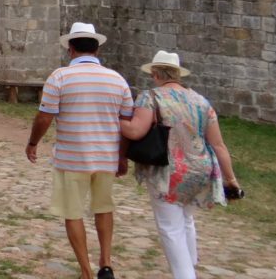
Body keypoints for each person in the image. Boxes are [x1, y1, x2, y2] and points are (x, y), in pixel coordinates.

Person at [25, 21, 134, 279]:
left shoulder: (60, 77)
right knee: (103, 208)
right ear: (96, 50)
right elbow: (126, 122)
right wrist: (122, 157)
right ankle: (105, 264)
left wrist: (33, 143)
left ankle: (86, 271)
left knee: (72, 212)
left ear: (71, 49)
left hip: (72, 157)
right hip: (106, 157)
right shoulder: (117, 79)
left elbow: (44, 117)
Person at [119, 51, 242, 279]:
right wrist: (231, 179)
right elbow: (219, 145)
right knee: (186, 219)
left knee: (170, 228)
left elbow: (136, 131)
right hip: (199, 167)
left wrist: (114, 118)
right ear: (177, 74)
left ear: (155, 74)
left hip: (169, 170)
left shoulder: (150, 97)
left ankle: (185, 274)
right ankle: (190, 265)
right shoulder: (201, 101)